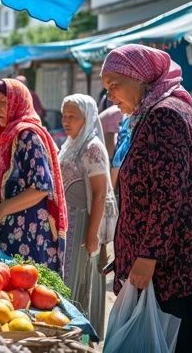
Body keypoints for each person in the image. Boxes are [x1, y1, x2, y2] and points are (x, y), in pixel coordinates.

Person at [101, 44, 192, 352]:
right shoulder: (158, 111)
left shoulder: (164, 115)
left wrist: (146, 257)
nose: (111, 96)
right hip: (173, 260)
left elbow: (168, 196)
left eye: (115, 85)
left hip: (175, 266)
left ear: (140, 77)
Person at [0, 78, 67, 275]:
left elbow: (41, 187)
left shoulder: (27, 135)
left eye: (3, 101)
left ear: (18, 101)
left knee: (29, 288)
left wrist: (1, 209)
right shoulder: (7, 135)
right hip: (11, 231)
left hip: (30, 232)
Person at [58, 94, 118, 337]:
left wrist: (92, 234)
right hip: (68, 223)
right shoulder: (71, 144)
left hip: (82, 223)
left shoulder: (92, 147)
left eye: (73, 116)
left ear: (88, 118)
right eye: (64, 115)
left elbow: (100, 192)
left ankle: (81, 338)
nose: (66, 121)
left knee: (80, 281)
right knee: (67, 280)